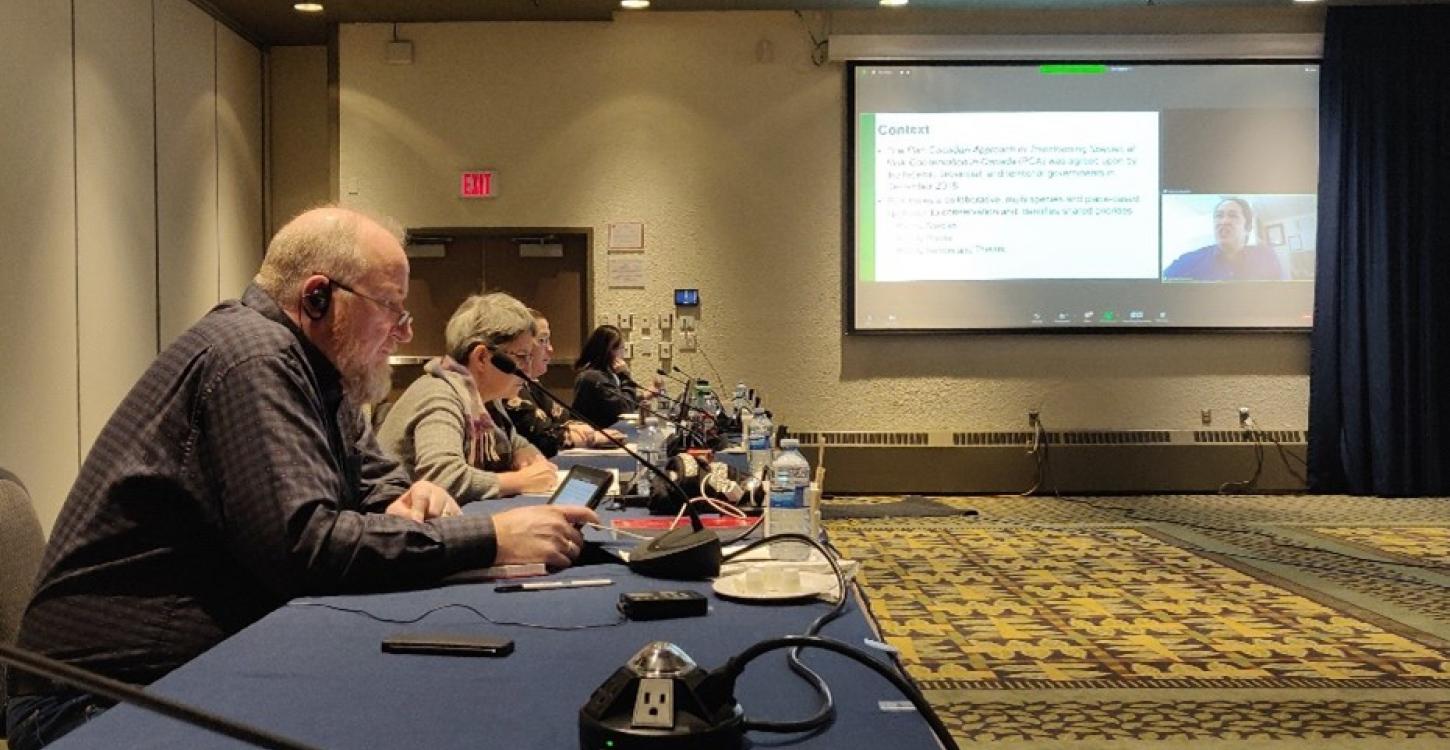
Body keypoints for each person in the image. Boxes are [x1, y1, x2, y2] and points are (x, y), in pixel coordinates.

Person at [4, 207, 596, 750]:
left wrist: (413, 497)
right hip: (96, 703)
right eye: (392, 307)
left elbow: (379, 483)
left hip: (184, 674)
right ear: (318, 298)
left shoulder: (320, 374)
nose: (405, 332)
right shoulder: (251, 357)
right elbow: (303, 545)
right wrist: (491, 538)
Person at [376, 293, 560, 501]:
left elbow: (513, 440)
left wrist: (523, 453)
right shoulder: (440, 394)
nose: (527, 369)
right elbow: (442, 479)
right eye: (522, 356)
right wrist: (520, 481)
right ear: (481, 357)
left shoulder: (481, 398)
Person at [501, 310, 622, 457]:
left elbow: (564, 420)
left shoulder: (530, 383)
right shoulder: (506, 386)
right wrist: (591, 437)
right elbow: (542, 437)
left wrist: (576, 431)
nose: (551, 349)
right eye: (542, 341)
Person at [1163, 197, 1288, 281]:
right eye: (1219, 216)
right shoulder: (1189, 261)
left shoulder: (1266, 257)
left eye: (1233, 216)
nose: (1224, 221)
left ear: (1248, 227)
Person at [571, 324, 640, 428]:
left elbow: (616, 401)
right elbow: (624, 410)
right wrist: (625, 376)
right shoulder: (594, 378)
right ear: (608, 350)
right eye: (621, 348)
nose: (623, 354)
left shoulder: (603, 374)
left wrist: (644, 395)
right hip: (594, 438)